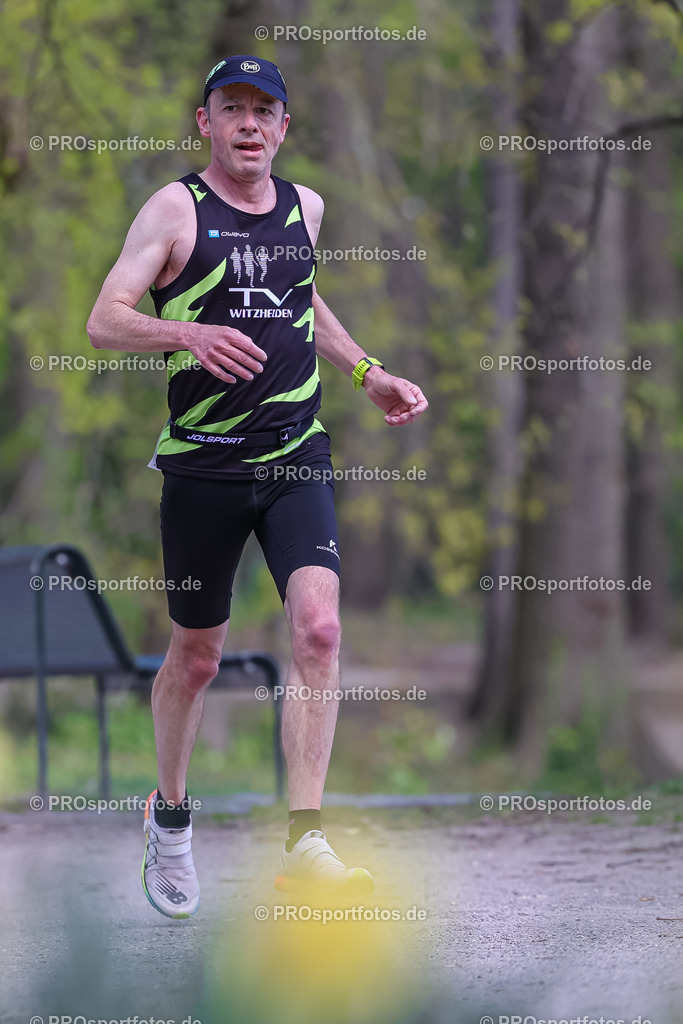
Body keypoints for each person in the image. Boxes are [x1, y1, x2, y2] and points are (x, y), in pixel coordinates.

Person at [87, 54, 428, 919]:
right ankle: (169, 817)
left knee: (318, 629)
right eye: (230, 108)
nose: (247, 123)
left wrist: (365, 373)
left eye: (263, 110)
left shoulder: (305, 208)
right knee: (196, 659)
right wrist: (185, 334)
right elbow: (103, 320)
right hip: (202, 463)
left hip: (294, 454)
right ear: (203, 121)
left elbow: (301, 302)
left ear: (282, 127)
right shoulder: (175, 209)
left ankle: (303, 837)